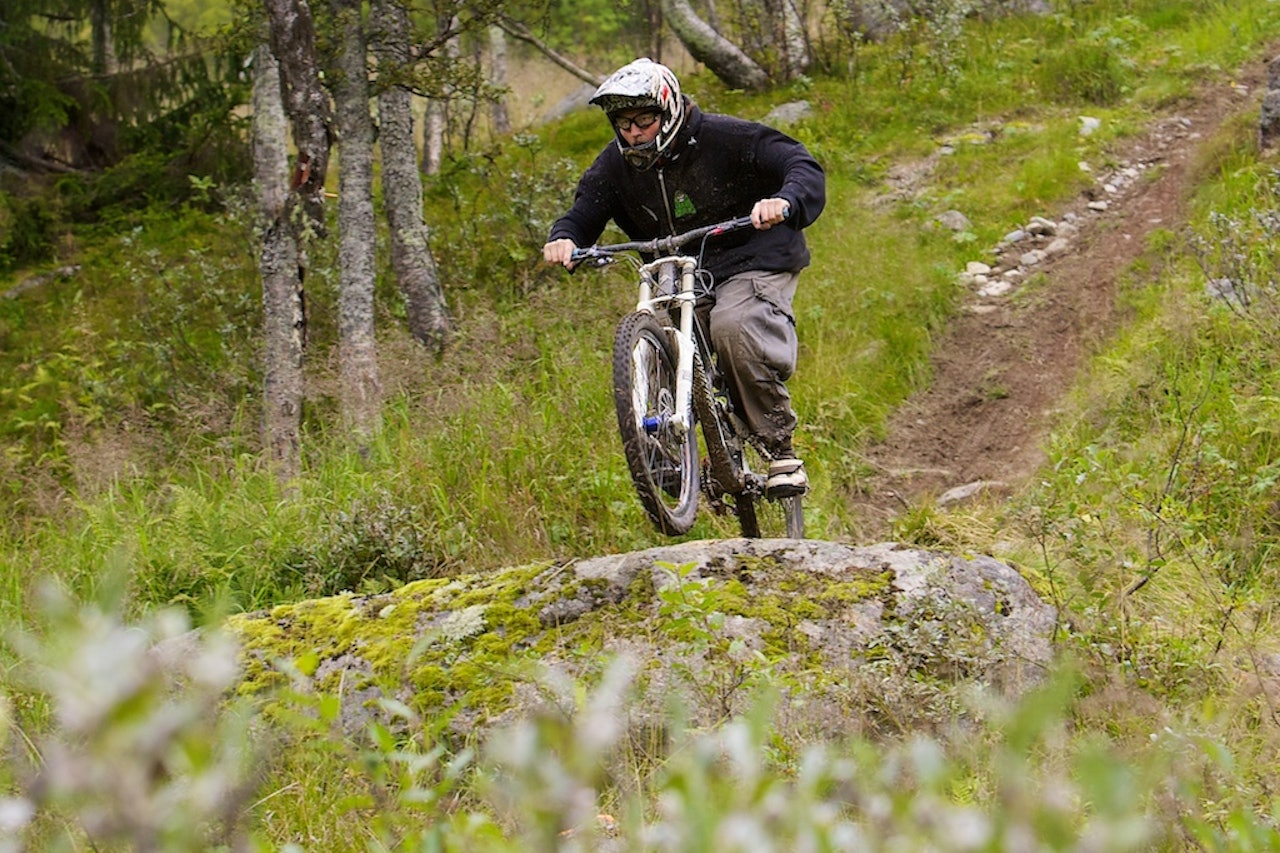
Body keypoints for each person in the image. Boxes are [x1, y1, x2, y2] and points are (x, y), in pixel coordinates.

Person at [543, 57, 826, 497]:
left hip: (749, 256)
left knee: (733, 328)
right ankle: (666, 454)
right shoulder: (613, 167)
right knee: (657, 345)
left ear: (669, 110)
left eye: (644, 120)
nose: (634, 132)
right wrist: (564, 239)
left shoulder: (729, 138)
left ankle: (778, 448)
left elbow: (799, 164)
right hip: (677, 271)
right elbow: (584, 211)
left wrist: (784, 200)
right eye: (624, 123)